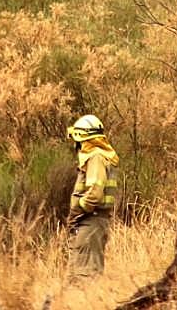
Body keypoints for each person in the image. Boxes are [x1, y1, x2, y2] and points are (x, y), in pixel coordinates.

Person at [65, 114, 119, 279]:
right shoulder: (101, 156)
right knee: (78, 273)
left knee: (84, 276)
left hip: (91, 220)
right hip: (93, 221)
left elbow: (95, 193)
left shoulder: (95, 157)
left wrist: (77, 210)